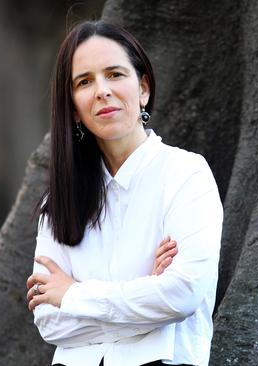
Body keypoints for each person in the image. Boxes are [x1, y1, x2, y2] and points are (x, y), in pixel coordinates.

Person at [25, 21, 223, 366]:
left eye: (115, 74)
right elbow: (48, 321)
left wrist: (72, 293)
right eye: (84, 82)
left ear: (143, 88)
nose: (102, 90)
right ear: (73, 107)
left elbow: (182, 294)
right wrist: (146, 294)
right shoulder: (58, 202)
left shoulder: (185, 174)